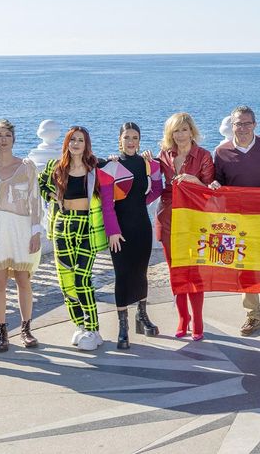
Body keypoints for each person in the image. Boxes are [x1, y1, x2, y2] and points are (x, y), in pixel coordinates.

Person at [210, 105, 260, 341]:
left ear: (255, 125)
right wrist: (214, 184)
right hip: (239, 223)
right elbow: (219, 181)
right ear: (231, 125)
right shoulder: (222, 151)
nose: (243, 128)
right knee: (246, 271)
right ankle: (252, 315)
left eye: (247, 123)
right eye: (238, 123)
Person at [0, 119, 42, 352]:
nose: (2, 139)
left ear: (13, 139)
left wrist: (36, 233)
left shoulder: (27, 167)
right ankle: (2, 333)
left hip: (22, 231)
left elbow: (35, 201)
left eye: (6, 135)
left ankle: (26, 329)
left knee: (24, 280)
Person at [38, 126, 108, 351]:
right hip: (63, 226)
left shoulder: (95, 168)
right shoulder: (56, 168)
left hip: (86, 226)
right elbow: (40, 184)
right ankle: (79, 324)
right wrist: (51, 195)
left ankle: (93, 328)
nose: (76, 143)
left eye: (81, 140)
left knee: (82, 279)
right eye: (72, 140)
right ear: (67, 143)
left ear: (87, 144)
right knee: (66, 281)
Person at [99, 122, 162, 349]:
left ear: (139, 140)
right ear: (120, 140)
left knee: (141, 273)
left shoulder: (148, 164)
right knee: (123, 275)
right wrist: (113, 231)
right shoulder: (110, 166)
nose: (131, 141)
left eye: (135, 137)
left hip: (142, 226)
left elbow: (157, 189)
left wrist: (137, 203)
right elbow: (107, 205)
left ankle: (141, 316)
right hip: (120, 230)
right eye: (127, 137)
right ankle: (123, 326)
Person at [155, 112, 215, 341]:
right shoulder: (163, 156)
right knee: (175, 271)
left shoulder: (204, 156)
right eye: (175, 131)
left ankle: (197, 320)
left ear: (192, 131)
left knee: (194, 271)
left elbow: (211, 192)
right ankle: (183, 317)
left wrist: (195, 181)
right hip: (168, 218)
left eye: (184, 129)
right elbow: (149, 180)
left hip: (194, 221)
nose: (180, 135)